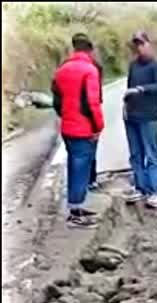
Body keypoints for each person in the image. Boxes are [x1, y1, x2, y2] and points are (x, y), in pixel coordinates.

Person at [51, 33, 104, 228]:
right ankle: (75, 214)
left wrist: (65, 114)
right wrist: (99, 126)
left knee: (74, 166)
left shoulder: (62, 70)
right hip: (83, 128)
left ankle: (76, 207)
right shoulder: (89, 70)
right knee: (81, 169)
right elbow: (93, 103)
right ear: (89, 50)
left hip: (67, 126)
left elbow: (56, 99)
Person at [123, 30, 157, 210]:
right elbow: (128, 88)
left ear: (148, 44)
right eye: (136, 44)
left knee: (151, 154)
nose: (139, 48)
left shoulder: (156, 66)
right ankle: (140, 187)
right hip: (132, 115)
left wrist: (140, 89)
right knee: (136, 154)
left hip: (148, 116)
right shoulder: (133, 65)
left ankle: (154, 191)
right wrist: (125, 107)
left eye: (141, 43)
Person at [88, 50, 104, 191]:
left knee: (78, 153)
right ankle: (91, 179)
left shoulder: (67, 67)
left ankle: (85, 181)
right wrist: (99, 126)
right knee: (91, 148)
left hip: (72, 119)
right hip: (90, 116)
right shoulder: (94, 69)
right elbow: (95, 100)